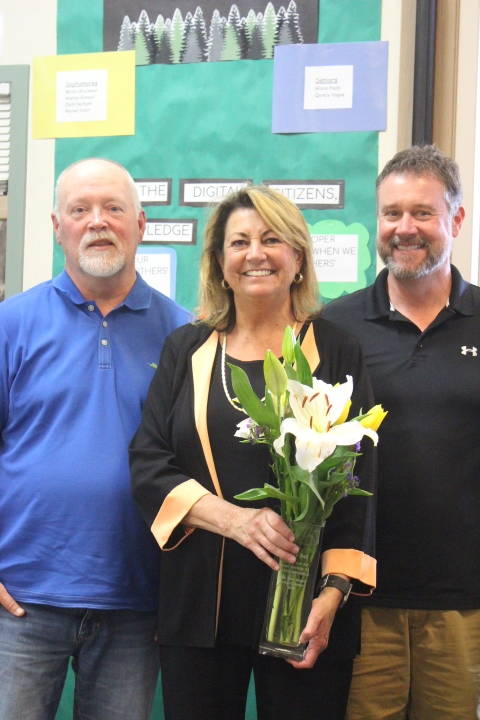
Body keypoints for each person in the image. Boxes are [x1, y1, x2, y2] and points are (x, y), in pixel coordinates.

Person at [130, 185, 376, 720]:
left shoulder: (337, 349)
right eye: (239, 242)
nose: (255, 254)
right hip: (198, 607)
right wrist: (236, 522)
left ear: (298, 259)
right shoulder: (187, 348)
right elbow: (148, 463)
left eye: (272, 239)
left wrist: (332, 598)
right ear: (220, 264)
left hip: (305, 608)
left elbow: (359, 486)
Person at [0, 158, 189, 720]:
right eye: (80, 210)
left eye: (113, 208)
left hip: (137, 602)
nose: (97, 222)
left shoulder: (184, 334)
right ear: (58, 226)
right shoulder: (12, 324)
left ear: (141, 223)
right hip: (21, 600)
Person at [322, 144, 480, 719]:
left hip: (466, 606)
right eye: (392, 214)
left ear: (456, 220)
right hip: (359, 599)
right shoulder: (333, 326)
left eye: (422, 213)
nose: (404, 228)